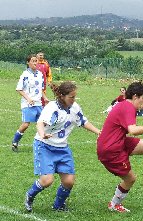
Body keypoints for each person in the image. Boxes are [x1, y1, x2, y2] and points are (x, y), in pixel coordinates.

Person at [24, 81, 100, 212]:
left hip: (62, 149)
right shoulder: (51, 107)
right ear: (62, 96)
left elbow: (83, 121)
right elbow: (40, 123)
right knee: (47, 180)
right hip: (44, 146)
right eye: (71, 97)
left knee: (69, 181)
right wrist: (42, 134)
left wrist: (99, 132)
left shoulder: (74, 107)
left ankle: (58, 206)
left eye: (75, 96)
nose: (74, 99)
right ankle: (30, 195)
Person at [97, 80, 143, 213]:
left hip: (118, 142)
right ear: (135, 97)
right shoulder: (127, 107)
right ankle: (114, 204)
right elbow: (132, 130)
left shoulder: (127, 103)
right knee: (130, 179)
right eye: (142, 99)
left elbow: (142, 103)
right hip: (110, 149)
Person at [12, 54, 49, 152]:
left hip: (38, 104)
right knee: (25, 125)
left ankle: (42, 144)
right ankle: (15, 142)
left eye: (36, 61)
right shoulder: (25, 74)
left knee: (43, 124)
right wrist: (28, 98)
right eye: (33, 61)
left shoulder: (40, 74)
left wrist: (45, 98)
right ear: (28, 63)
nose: (35, 63)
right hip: (28, 104)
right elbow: (19, 89)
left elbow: (40, 90)